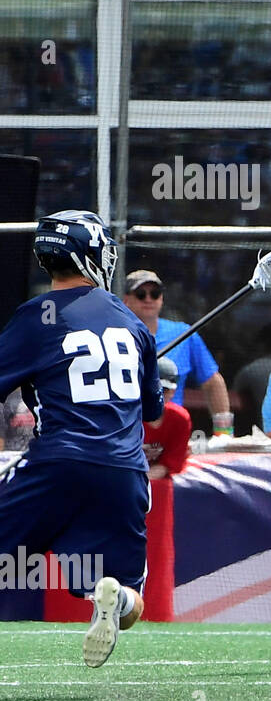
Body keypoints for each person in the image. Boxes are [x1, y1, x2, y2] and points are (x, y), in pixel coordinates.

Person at [0, 210, 163, 667]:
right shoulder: (133, 323)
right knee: (132, 599)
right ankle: (111, 597)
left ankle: (99, 587)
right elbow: (151, 412)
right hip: (123, 472)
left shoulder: (37, 316)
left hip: (58, 463)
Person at [122, 269, 233, 437]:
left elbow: (212, 382)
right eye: (140, 294)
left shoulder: (184, 334)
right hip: (128, 431)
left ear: (162, 298)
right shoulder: (114, 335)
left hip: (172, 434)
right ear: (126, 300)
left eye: (155, 293)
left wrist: (224, 433)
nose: (148, 299)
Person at [143, 357, 192, 480]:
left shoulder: (180, 419)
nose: (157, 395)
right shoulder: (126, 416)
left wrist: (141, 482)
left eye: (164, 390)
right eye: (152, 388)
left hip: (152, 483)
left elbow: (168, 465)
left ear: (173, 392)